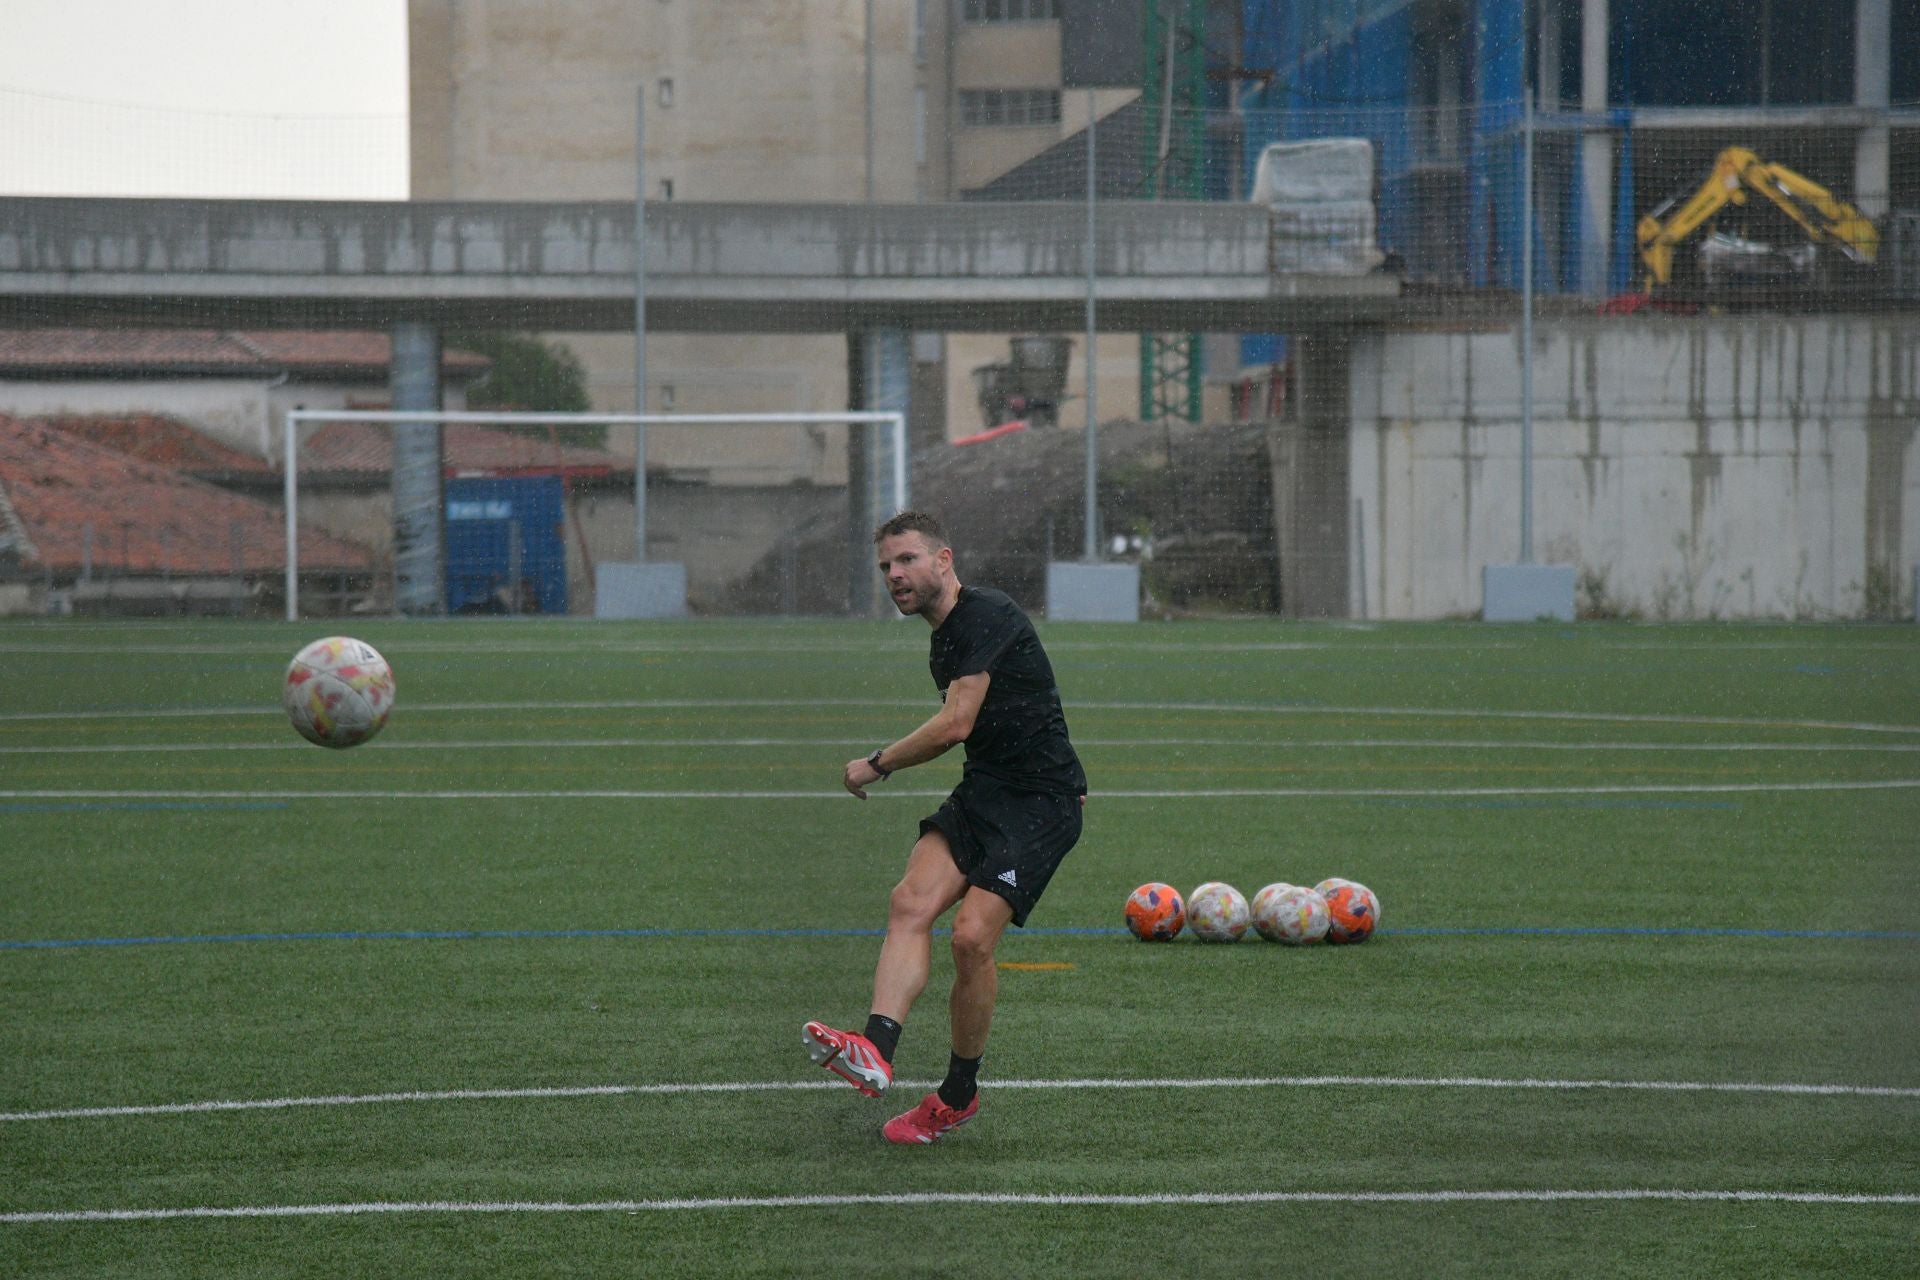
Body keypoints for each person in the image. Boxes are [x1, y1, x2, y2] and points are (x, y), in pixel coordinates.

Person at [803, 510, 1087, 1144]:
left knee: (969, 940)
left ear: (944, 559)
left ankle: (958, 1096)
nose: (894, 576)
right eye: (885, 567)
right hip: (986, 790)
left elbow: (956, 724)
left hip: (1043, 801)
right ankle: (875, 1050)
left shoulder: (985, 614)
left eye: (906, 561)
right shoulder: (944, 635)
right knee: (909, 901)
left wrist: (876, 764)